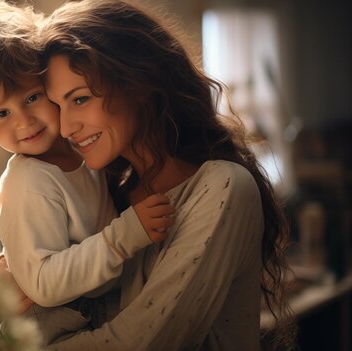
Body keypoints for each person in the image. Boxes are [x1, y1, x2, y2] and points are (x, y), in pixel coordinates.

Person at [37, 0, 295, 349]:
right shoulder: (109, 197)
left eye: (80, 99)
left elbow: (140, 342)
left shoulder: (223, 188)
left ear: (138, 83)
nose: (66, 127)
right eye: (57, 106)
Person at [0, 1, 175, 346]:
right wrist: (126, 235)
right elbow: (44, 285)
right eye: (2, 113)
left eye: (33, 97)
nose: (24, 121)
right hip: (53, 324)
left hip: (90, 307)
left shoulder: (84, 153)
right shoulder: (29, 180)